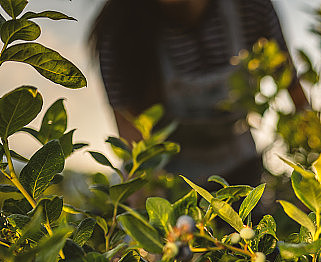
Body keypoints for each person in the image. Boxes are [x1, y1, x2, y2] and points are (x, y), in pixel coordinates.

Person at [90, 0, 308, 188]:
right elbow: (134, 147)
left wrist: (315, 176)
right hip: (170, 182)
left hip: (243, 172)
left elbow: (294, 92)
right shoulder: (119, 31)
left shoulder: (250, 7)